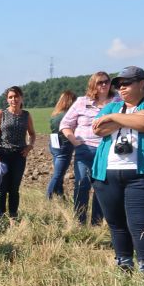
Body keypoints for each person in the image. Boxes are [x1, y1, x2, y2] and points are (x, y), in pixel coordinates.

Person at [91, 66, 144, 276]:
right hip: (107, 174)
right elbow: (98, 129)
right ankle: (124, 266)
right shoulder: (112, 106)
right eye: (118, 84)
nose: (121, 88)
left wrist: (113, 119)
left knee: (141, 223)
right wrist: (125, 118)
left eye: (126, 83)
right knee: (116, 223)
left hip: (142, 175)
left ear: (142, 84)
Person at [59, 72, 118, 225]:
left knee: (101, 186)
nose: (104, 85)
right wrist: (74, 140)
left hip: (107, 151)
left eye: (106, 81)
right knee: (82, 182)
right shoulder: (81, 102)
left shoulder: (117, 101)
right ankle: (79, 221)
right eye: (100, 83)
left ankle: (97, 223)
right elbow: (65, 124)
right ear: (93, 85)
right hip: (85, 149)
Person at [0, 86, 36, 218]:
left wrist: (29, 146)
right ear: (7, 99)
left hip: (19, 155)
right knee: (2, 188)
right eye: (10, 97)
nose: (13, 99)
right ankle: (0, 217)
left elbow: (32, 134)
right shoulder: (1, 114)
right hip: (2, 154)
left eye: (16, 97)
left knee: (14, 188)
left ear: (21, 98)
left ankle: (13, 216)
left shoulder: (26, 115)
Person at [47, 91, 77, 199]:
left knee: (58, 172)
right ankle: (48, 197)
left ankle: (60, 195)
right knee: (58, 174)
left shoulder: (55, 115)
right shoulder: (68, 116)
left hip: (54, 144)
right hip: (65, 145)